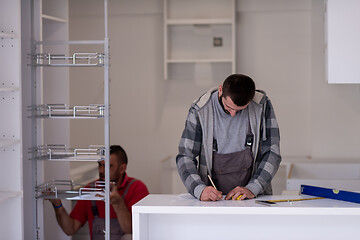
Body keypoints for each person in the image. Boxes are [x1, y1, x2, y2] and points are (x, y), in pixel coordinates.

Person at [176, 74, 281, 201]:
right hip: (212, 201)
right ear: (220, 90)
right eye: (229, 108)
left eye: (240, 110)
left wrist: (253, 188)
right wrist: (199, 189)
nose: (233, 115)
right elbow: (185, 156)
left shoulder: (261, 105)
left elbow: (272, 152)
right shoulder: (200, 110)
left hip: (253, 197)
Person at [48, 145, 149, 240]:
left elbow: (132, 230)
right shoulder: (91, 189)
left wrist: (117, 203)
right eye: (100, 165)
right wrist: (58, 206)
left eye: (108, 166)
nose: (101, 170)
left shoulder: (137, 188)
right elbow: (70, 229)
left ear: (122, 168)